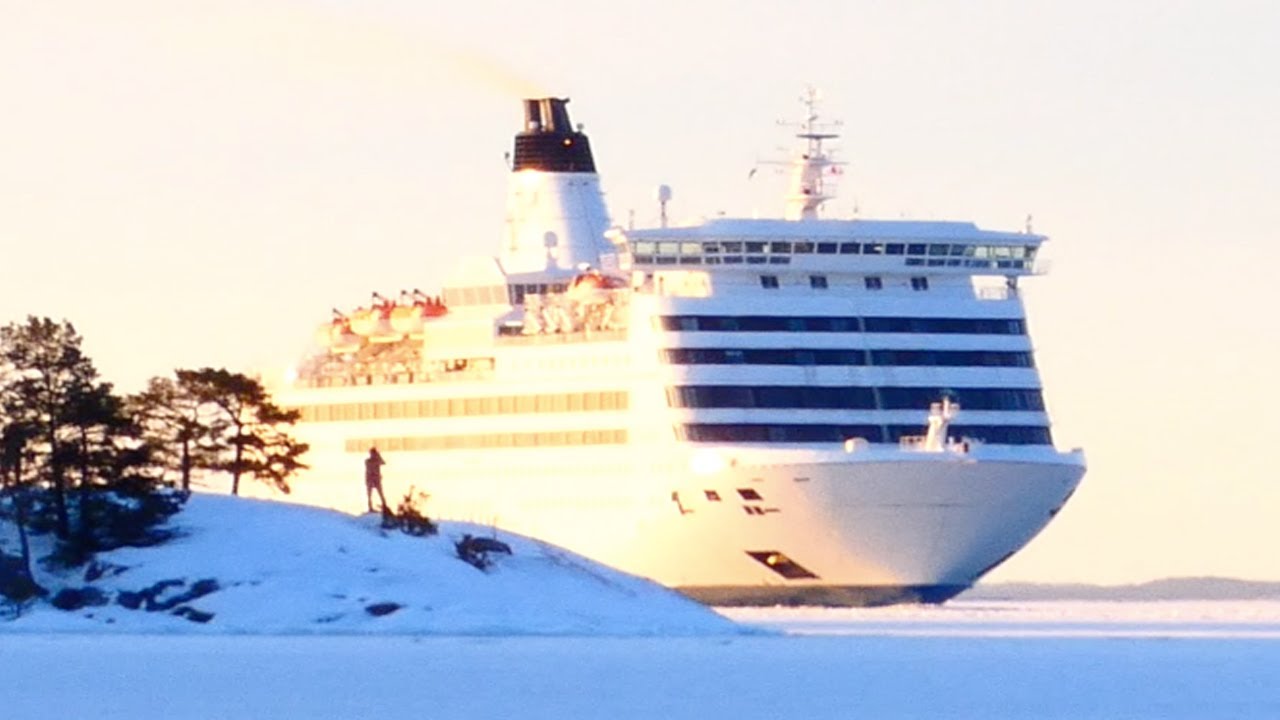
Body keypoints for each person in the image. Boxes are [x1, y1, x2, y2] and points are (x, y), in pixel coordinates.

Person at [364, 447, 388, 514]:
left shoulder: (377, 460)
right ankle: (370, 507)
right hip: (370, 479)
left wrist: (378, 455)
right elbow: (381, 463)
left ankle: (384, 506)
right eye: (372, 453)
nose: (372, 455)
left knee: (381, 494)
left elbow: (384, 463)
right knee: (369, 495)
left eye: (374, 453)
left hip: (376, 479)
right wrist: (378, 456)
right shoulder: (368, 461)